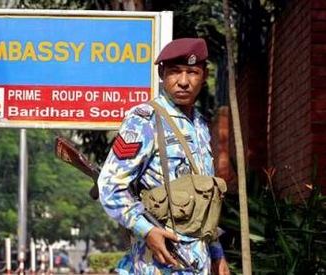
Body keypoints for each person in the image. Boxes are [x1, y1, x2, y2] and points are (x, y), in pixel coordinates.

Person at [98, 38, 230, 275]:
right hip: (158, 263)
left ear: (204, 75)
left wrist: (216, 253)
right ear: (162, 73)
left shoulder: (199, 125)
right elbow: (109, 187)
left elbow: (204, 202)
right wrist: (146, 230)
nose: (183, 81)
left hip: (197, 262)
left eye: (192, 72)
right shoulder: (145, 120)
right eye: (175, 72)